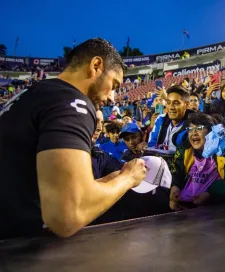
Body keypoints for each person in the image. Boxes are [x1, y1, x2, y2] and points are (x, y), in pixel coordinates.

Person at [0, 38, 146, 239]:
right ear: (96, 66)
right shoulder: (73, 102)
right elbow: (66, 217)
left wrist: (104, 183)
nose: (113, 97)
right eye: (114, 84)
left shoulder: (32, 94)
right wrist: (127, 178)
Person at [169, 113, 225, 210]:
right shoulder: (184, 149)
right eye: (190, 129)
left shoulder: (224, 150)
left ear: (210, 131)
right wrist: (175, 188)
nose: (194, 133)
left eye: (199, 128)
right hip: (182, 203)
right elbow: (175, 171)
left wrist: (210, 194)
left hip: (211, 208)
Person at [148, 86, 193, 152]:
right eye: (168, 102)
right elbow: (151, 144)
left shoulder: (193, 126)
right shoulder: (160, 119)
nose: (171, 107)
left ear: (186, 105)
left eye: (176, 103)